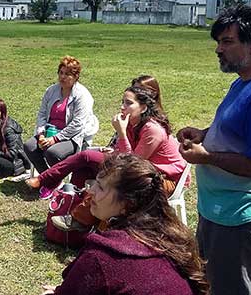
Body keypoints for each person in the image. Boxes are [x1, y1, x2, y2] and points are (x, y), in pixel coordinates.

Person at [177, 5, 251, 295]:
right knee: (213, 282)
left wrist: (207, 157)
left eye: (227, 41)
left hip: (240, 215)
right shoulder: (245, 81)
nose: (218, 49)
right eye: (218, 41)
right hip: (221, 209)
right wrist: (204, 134)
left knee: (233, 289)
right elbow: (239, 131)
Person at [40, 153, 208, 295]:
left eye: (100, 187)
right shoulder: (168, 238)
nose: (90, 192)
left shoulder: (103, 256)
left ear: (127, 203)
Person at [28, 83, 186, 230]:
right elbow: (124, 155)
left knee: (87, 156)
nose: (122, 107)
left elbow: (132, 165)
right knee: (85, 168)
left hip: (164, 181)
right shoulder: (133, 122)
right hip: (142, 172)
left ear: (143, 108)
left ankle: (47, 180)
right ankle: (78, 216)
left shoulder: (152, 130)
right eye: (122, 102)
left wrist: (121, 132)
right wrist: (113, 148)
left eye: (128, 103)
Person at [23, 56, 98, 174]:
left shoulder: (83, 95)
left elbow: (78, 124)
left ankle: (54, 179)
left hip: (72, 136)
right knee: (29, 146)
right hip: (49, 131)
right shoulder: (51, 90)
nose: (62, 77)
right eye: (61, 73)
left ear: (75, 76)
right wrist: (41, 134)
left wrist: (55, 139)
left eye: (67, 74)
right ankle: (46, 178)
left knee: (53, 153)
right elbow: (42, 114)